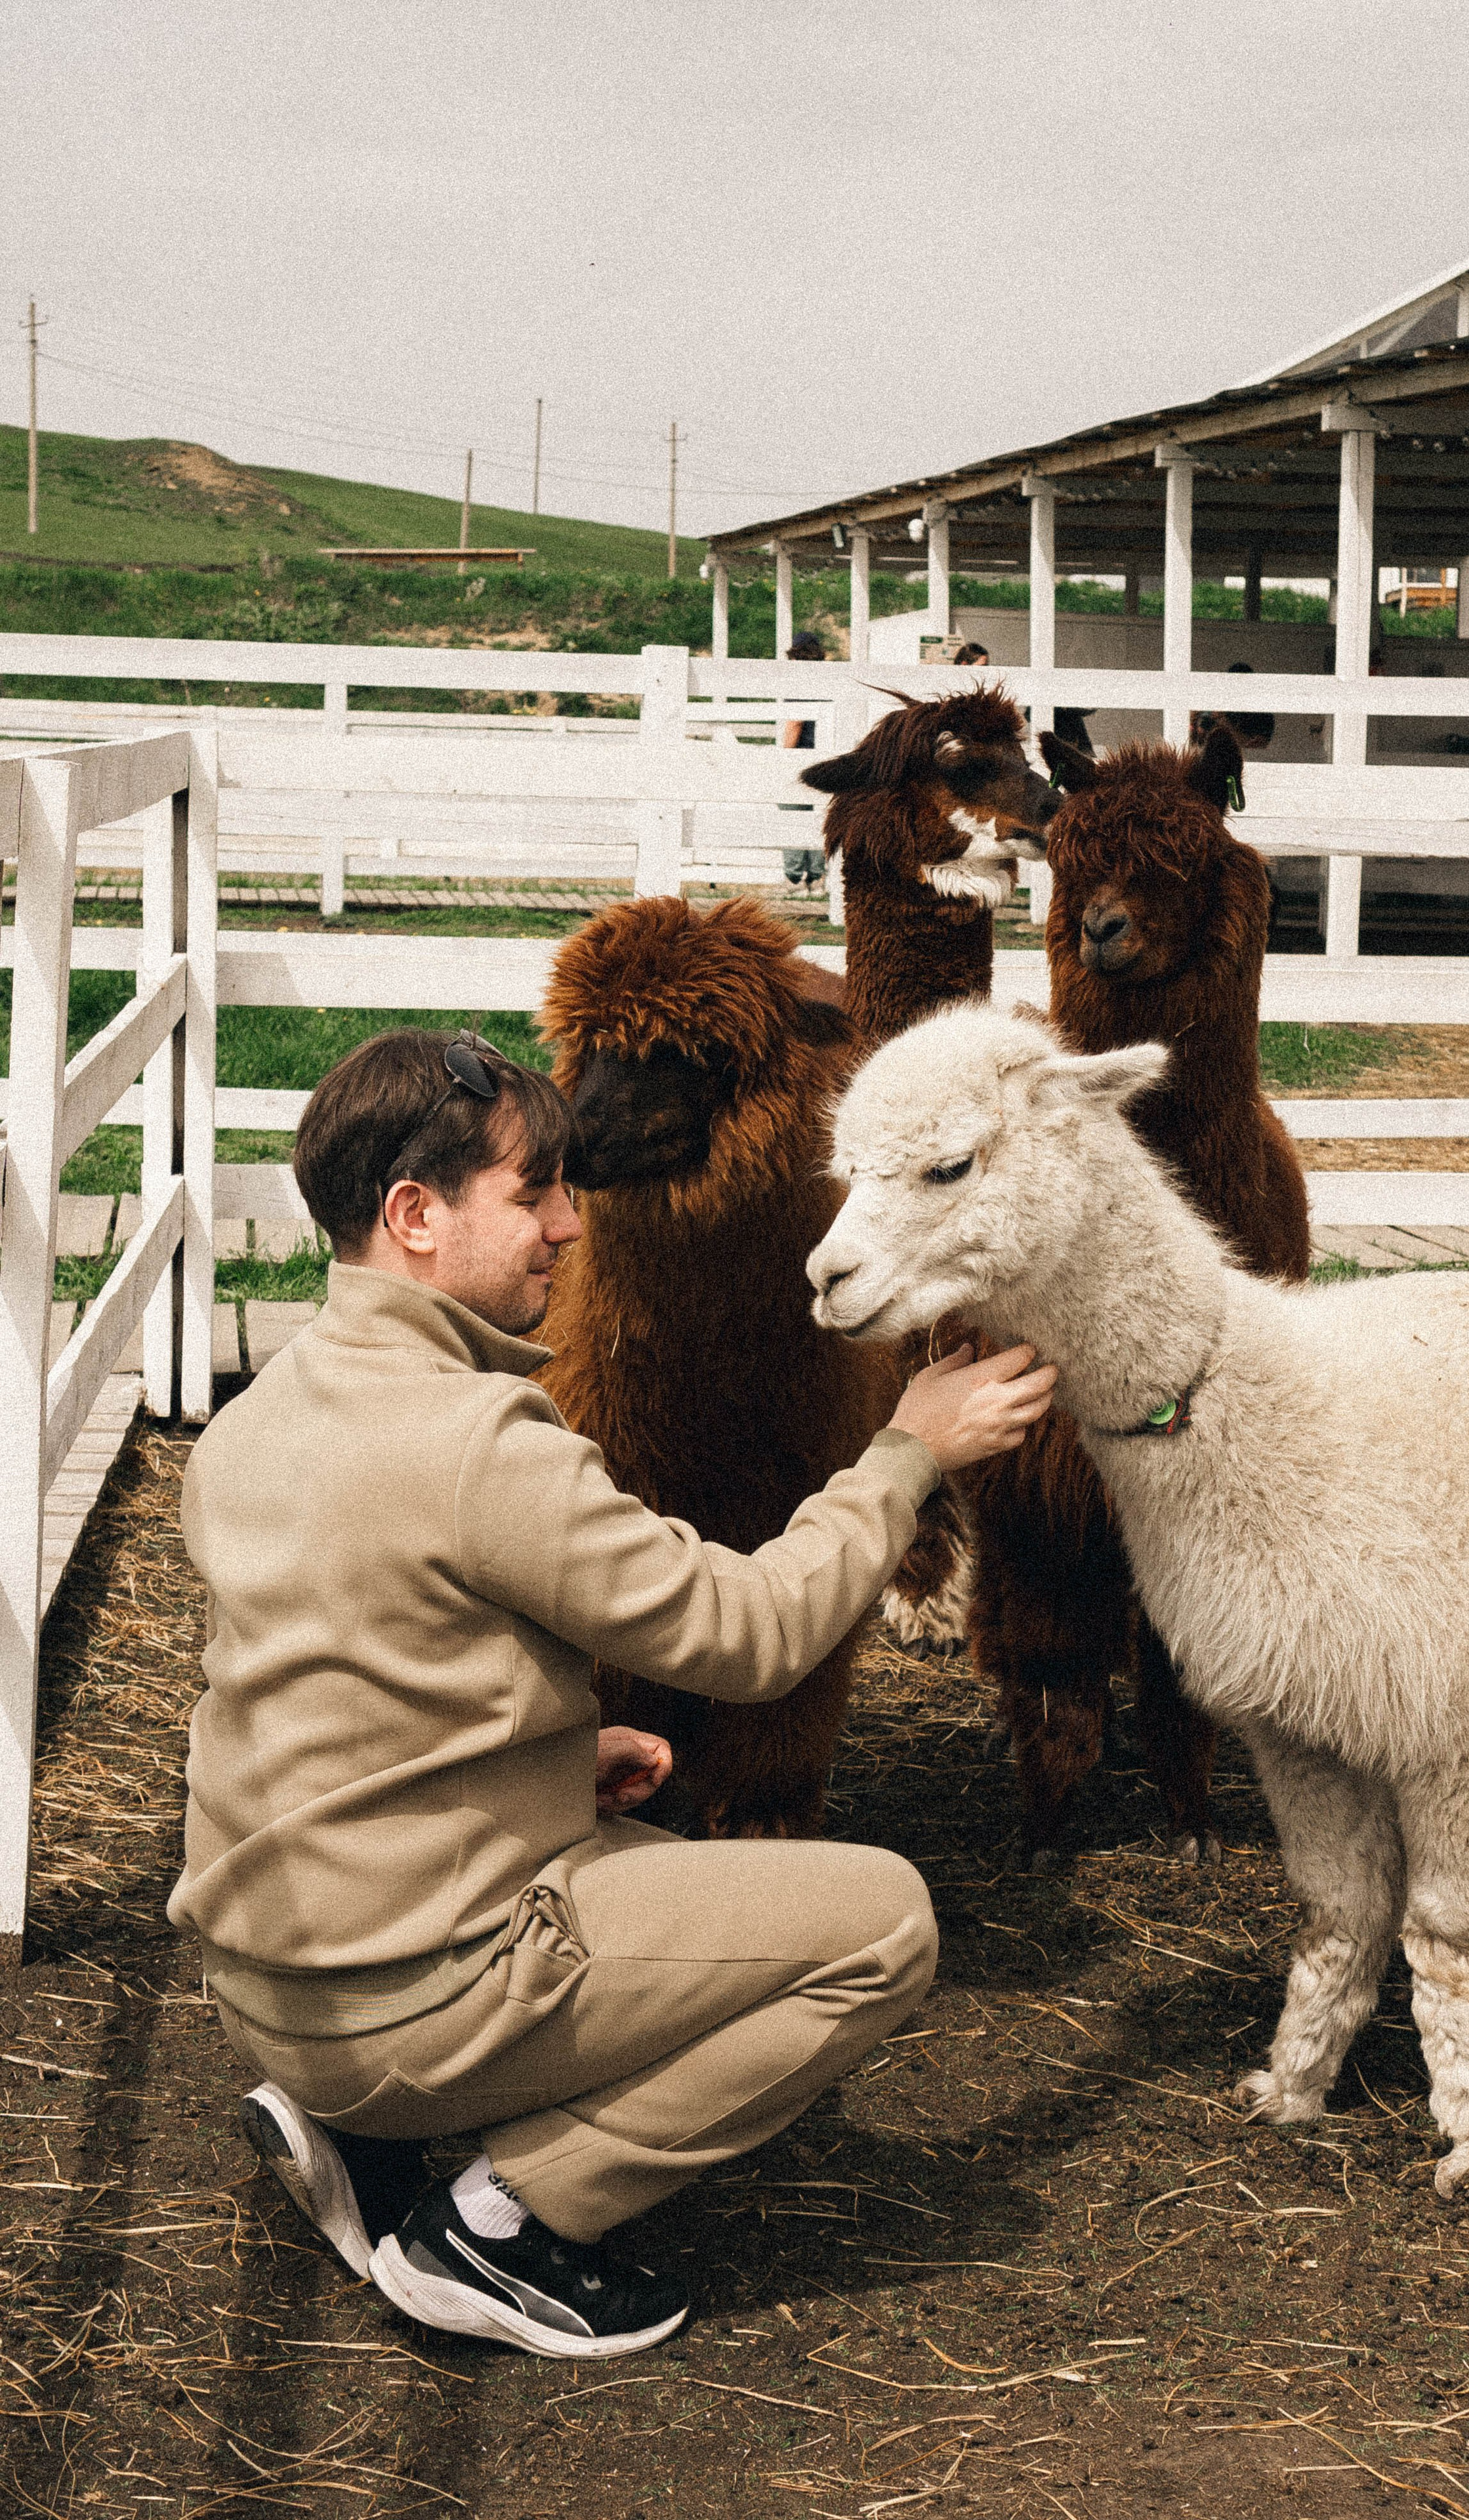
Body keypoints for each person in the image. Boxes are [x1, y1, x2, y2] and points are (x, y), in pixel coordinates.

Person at [170, 1026, 1055, 2361]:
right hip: (397, 2002)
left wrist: (543, 1755)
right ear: (414, 1216)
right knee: (882, 1926)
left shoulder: (257, 1419)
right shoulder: (480, 1443)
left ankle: (359, 2132)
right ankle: (501, 2223)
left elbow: (326, 1691)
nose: (569, 1227)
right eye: (531, 1193)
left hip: (265, 1986)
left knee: (653, 1861)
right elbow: (754, 1636)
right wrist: (903, 1457)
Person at [779, 629, 828, 891]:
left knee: (792, 813)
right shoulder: (827, 681)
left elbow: (795, 723)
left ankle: (795, 877)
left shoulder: (799, 682)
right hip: (824, 754)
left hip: (800, 755)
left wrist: (784, 755)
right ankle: (817, 877)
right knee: (819, 816)